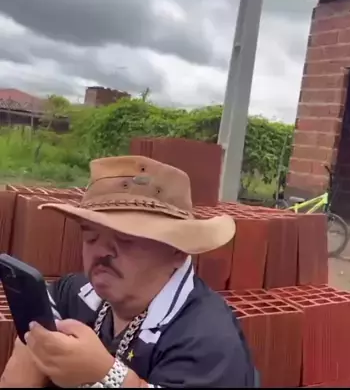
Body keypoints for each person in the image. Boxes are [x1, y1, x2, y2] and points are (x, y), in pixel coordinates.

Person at [0, 155, 258, 388]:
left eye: (125, 239)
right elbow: (43, 303)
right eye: (91, 237)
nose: (102, 251)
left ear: (177, 250)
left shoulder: (208, 341)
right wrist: (34, 344)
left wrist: (107, 376)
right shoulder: (81, 293)